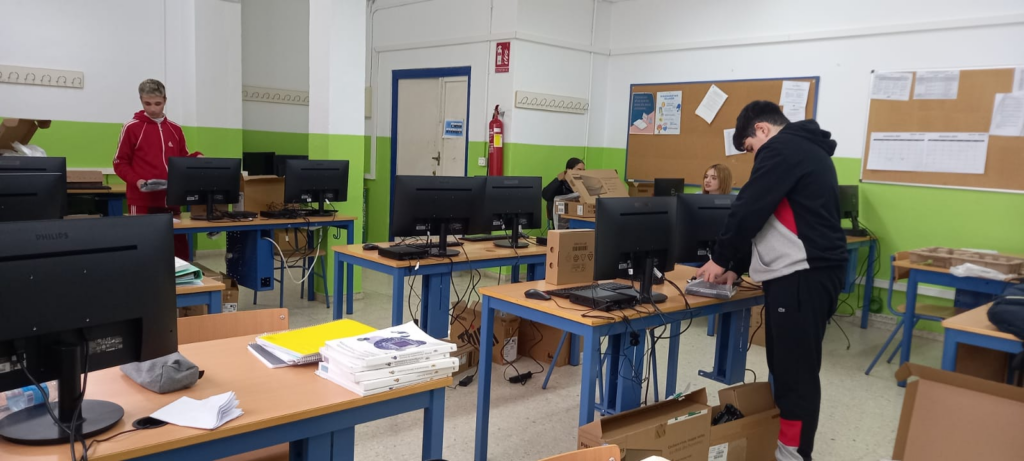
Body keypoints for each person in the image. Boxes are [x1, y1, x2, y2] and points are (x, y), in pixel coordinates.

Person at [695, 101, 847, 461]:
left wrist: (720, 258)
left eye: (749, 147)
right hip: (806, 276)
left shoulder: (783, 147)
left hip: (801, 277)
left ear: (762, 129)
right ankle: (788, 449)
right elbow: (769, 217)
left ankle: (793, 455)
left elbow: (748, 207)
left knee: (795, 376)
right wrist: (736, 267)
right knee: (788, 369)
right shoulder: (803, 149)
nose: (752, 156)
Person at [113, 79, 202, 260]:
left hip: (171, 199)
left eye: (157, 103)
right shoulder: (131, 127)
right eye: (147, 103)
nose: (153, 109)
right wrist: (137, 181)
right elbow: (119, 162)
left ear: (165, 100)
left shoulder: (175, 129)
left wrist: (196, 158)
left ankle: (180, 278)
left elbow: (181, 161)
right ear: (141, 101)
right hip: (142, 200)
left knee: (178, 250)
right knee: (144, 249)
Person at [542, 157, 585, 227]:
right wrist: (559, 180)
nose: (582, 172)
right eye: (579, 169)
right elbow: (546, 195)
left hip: (580, 220)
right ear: (569, 170)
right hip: (562, 223)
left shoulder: (583, 184)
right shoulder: (561, 184)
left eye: (583, 170)